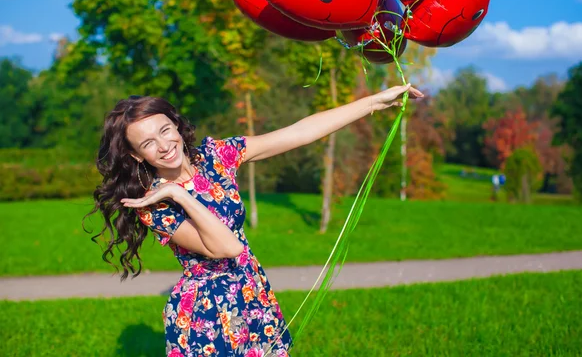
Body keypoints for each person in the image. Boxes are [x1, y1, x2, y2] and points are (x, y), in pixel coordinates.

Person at [88, 83, 423, 356]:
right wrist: (179, 195)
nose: (164, 145)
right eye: (148, 143)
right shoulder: (153, 203)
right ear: (136, 155)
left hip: (252, 293)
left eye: (165, 130)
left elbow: (299, 132)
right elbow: (227, 247)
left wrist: (374, 102)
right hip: (208, 313)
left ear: (175, 124)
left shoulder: (215, 157)